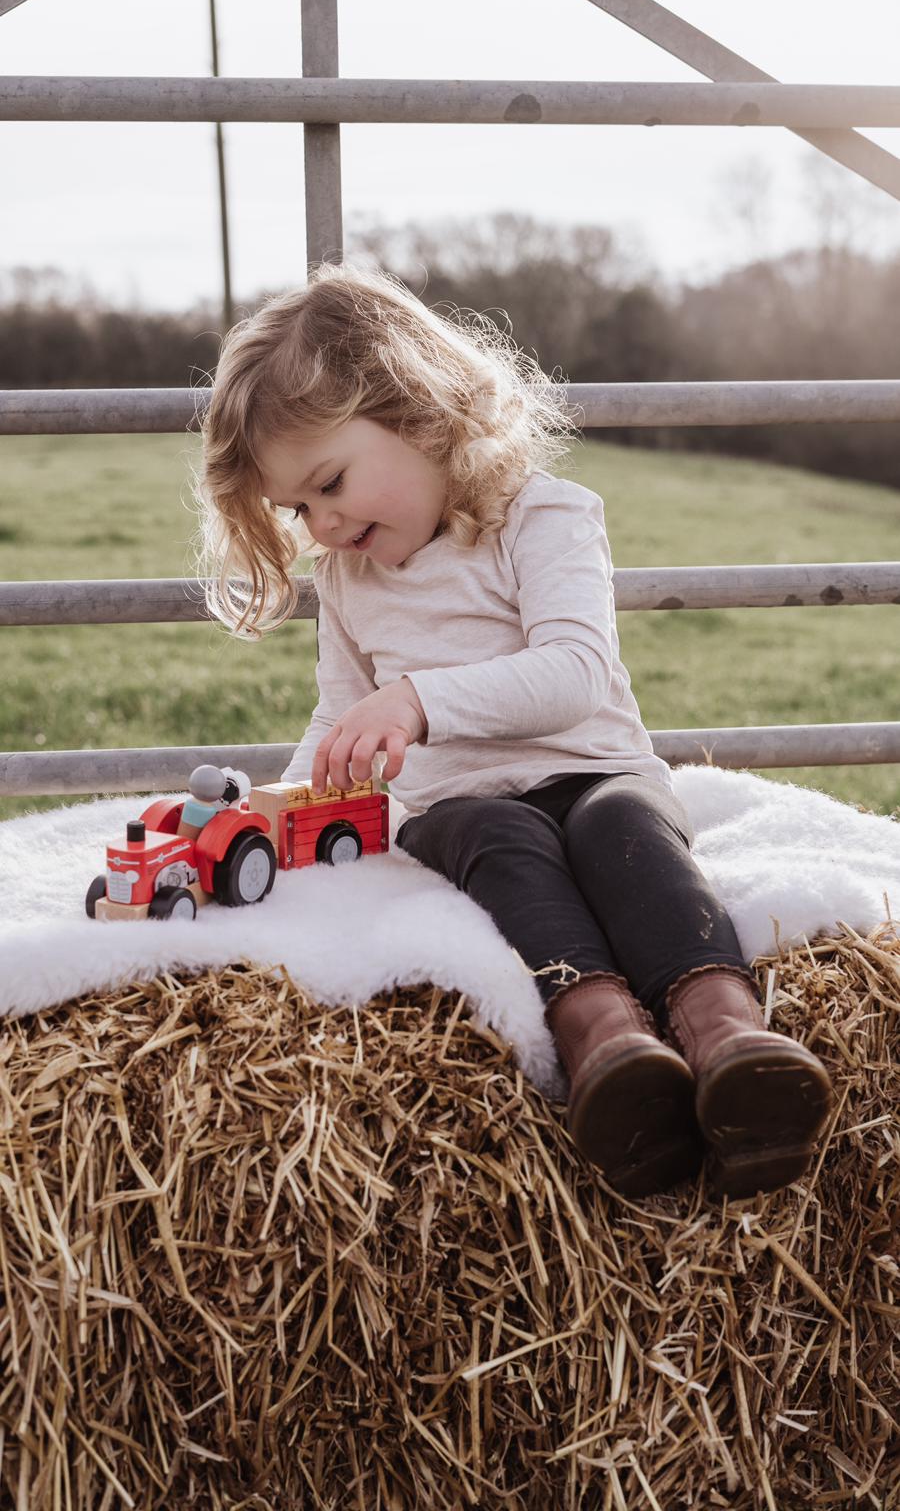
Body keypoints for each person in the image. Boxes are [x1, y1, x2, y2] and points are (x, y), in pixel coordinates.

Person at [198, 260, 832, 1201]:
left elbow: (575, 672)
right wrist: (278, 808)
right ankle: (606, 1046)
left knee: (620, 829)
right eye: (300, 509)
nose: (323, 527)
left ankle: (728, 1031)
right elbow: (338, 715)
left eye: (329, 483)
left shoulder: (544, 517)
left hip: (594, 768)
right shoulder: (346, 581)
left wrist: (417, 700)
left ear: (414, 409)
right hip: (460, 803)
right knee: (501, 840)